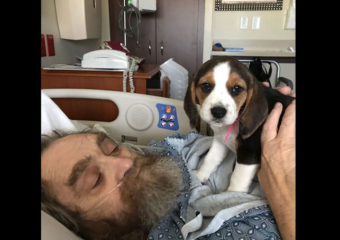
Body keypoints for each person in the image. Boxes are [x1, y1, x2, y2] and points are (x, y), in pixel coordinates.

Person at [41, 87, 295, 240]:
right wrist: (286, 198)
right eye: (95, 180)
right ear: (89, 231)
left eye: (113, 148)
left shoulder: (168, 151)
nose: (124, 162)